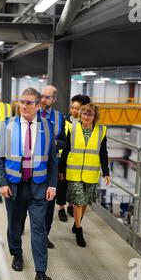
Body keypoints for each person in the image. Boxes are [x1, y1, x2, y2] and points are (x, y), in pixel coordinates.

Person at [0, 87, 58, 280]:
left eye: (29, 103)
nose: (23, 106)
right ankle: (17, 254)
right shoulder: (8, 125)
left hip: (38, 186)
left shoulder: (47, 127)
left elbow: (53, 161)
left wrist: (53, 186)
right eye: (22, 101)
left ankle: (41, 271)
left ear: (39, 106)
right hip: (14, 186)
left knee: (38, 228)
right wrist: (2, 183)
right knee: (14, 223)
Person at [20, 85, 66, 249]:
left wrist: (52, 143)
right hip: (27, 167)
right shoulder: (30, 112)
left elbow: (64, 142)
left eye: (47, 97)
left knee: (47, 205)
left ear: (53, 99)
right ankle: (20, 227)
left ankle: (44, 235)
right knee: (24, 201)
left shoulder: (60, 118)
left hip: (48, 168)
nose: (44, 99)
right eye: (42, 96)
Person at [60, 103, 111, 247]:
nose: (86, 117)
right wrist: (61, 170)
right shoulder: (73, 128)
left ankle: (77, 222)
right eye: (84, 114)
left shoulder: (101, 131)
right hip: (74, 172)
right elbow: (66, 150)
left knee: (85, 202)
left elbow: (103, 153)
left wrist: (106, 172)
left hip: (91, 172)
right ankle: (79, 229)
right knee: (78, 201)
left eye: (89, 114)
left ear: (95, 117)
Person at [56, 94, 91, 222]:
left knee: (74, 185)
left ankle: (71, 205)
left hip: (78, 161)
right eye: (72, 108)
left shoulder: (86, 123)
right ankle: (61, 208)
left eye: (77, 108)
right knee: (62, 184)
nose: (73, 111)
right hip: (63, 158)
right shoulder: (64, 121)